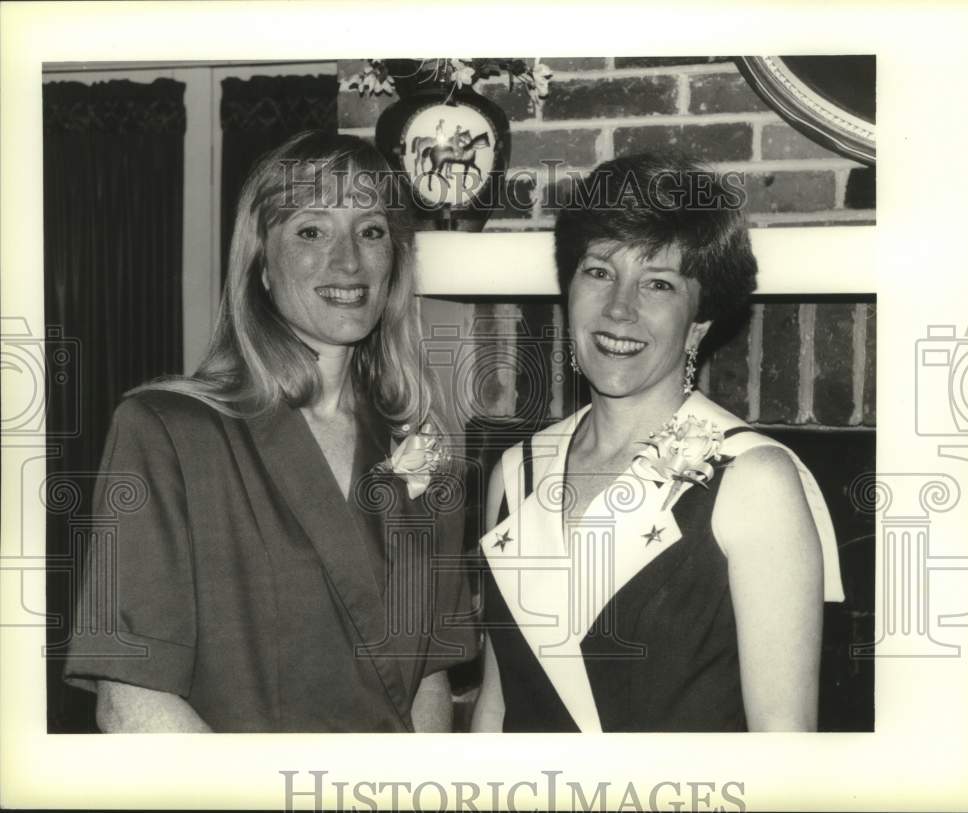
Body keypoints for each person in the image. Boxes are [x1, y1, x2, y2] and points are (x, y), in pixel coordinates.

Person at [65, 131, 475, 732]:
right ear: (260, 263)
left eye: (371, 231)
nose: (348, 261)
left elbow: (427, 680)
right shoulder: (166, 432)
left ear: (395, 263)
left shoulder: (422, 453)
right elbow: (133, 704)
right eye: (311, 231)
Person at [471, 152, 845, 733]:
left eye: (659, 284)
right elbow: (498, 706)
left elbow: (785, 746)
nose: (620, 308)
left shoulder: (754, 480)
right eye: (599, 272)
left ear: (698, 322)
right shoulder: (516, 472)